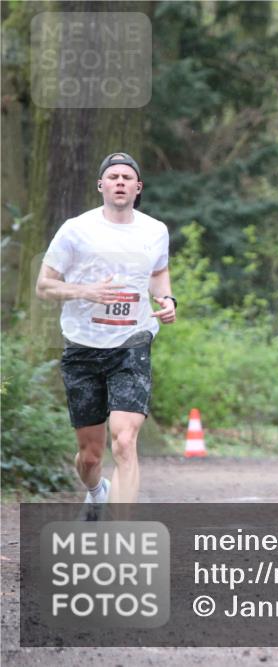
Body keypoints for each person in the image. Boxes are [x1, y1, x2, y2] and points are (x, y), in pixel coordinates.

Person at [35, 152, 175, 514]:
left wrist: (166, 298)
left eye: (127, 177)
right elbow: (44, 286)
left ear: (138, 187)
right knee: (90, 456)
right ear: (101, 185)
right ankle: (97, 491)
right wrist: (85, 291)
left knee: (125, 441)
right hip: (83, 347)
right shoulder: (76, 229)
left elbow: (158, 272)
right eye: (113, 177)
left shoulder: (155, 231)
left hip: (132, 344)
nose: (120, 182)